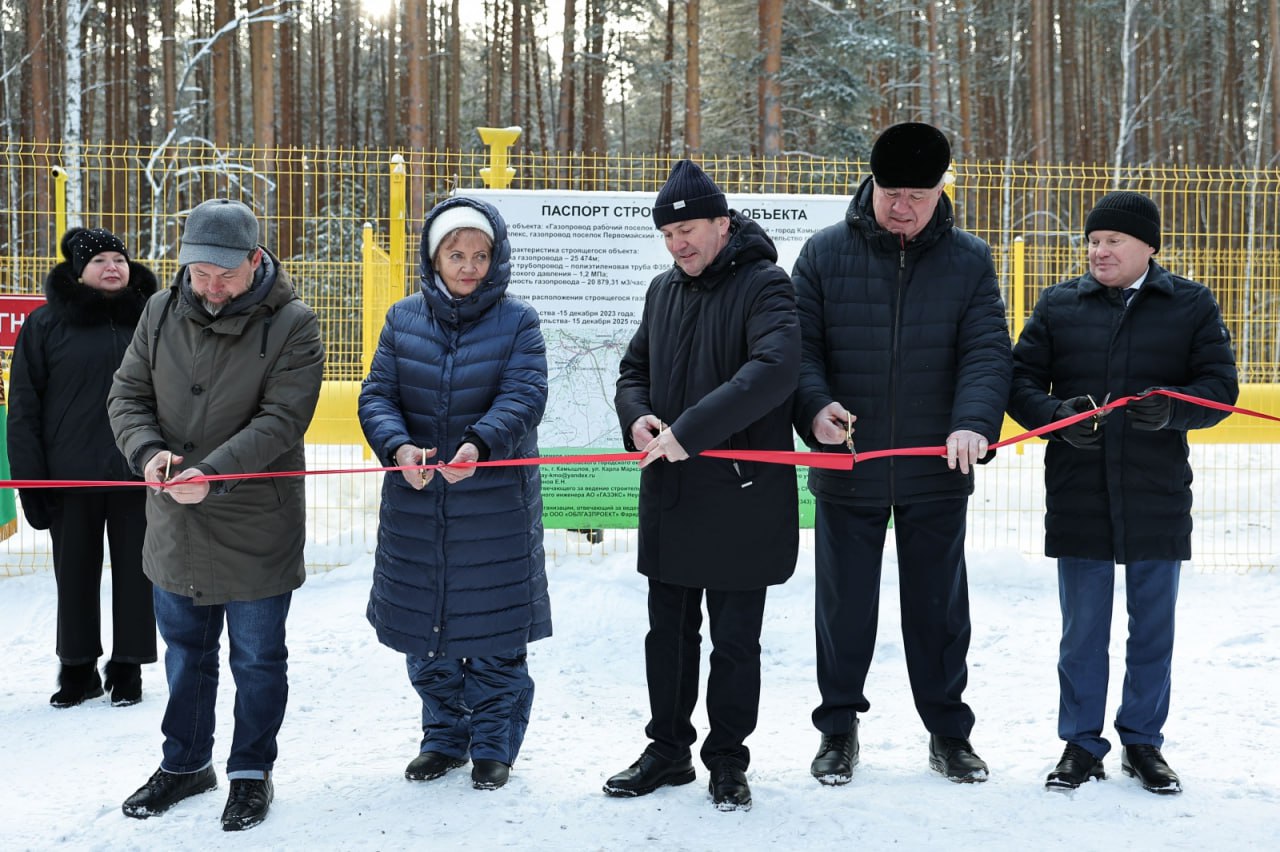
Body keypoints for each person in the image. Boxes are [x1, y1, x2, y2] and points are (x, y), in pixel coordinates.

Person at [792, 122, 1012, 785]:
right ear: (873, 185)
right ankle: (837, 730)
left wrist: (973, 421)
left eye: (918, 194)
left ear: (943, 190)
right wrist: (815, 410)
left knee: (938, 609)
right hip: (847, 466)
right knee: (843, 609)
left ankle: (948, 732)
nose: (903, 208)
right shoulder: (825, 254)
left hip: (936, 471)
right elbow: (800, 353)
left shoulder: (969, 260)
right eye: (892, 193)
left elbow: (985, 352)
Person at [1008, 191, 1238, 795]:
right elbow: (1021, 381)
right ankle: (1081, 744)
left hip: (1156, 492)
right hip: (1079, 488)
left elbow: (1220, 388)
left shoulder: (1189, 304)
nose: (1099, 251)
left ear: (1148, 248)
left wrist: (1174, 409)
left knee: (1152, 626)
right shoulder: (1060, 305)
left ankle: (1143, 742)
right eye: (1093, 241)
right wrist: (1058, 415)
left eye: (1112, 241)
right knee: (1082, 628)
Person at [107, 198, 325, 831]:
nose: (211, 287)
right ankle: (185, 763)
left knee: (257, 659)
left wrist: (215, 474)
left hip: (255, 523)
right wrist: (146, 452)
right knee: (185, 652)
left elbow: (282, 420)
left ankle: (250, 772)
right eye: (200, 273)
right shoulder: (159, 309)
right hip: (174, 523)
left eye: (224, 274)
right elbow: (128, 393)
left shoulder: (293, 324)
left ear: (255, 261)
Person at [606, 160, 800, 812]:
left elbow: (774, 370)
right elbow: (633, 370)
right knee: (668, 633)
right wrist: (638, 417)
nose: (677, 244)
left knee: (736, 640)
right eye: (667, 235)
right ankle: (667, 751)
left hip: (742, 493)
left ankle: (727, 759)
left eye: (687, 229)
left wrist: (690, 429)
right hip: (673, 491)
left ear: (723, 223)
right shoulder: (663, 291)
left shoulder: (767, 285)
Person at [358, 196, 550, 793]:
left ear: (497, 259)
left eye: (480, 255)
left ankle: (494, 743)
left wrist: (479, 445)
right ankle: (444, 736)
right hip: (418, 503)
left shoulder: (519, 321)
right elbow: (377, 396)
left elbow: (524, 395)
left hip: (494, 502)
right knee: (427, 632)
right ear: (433, 258)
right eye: (456, 254)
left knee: (495, 634)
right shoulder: (401, 319)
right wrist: (396, 449)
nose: (468, 266)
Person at [7, 227, 159, 708]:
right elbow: (25, 407)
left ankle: (128, 667)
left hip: (140, 472)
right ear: (78, 270)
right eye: (99, 261)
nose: (113, 267)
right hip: (70, 478)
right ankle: (76, 668)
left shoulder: (153, 321)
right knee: (74, 574)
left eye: (119, 258)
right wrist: (32, 484)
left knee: (140, 573)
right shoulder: (46, 324)